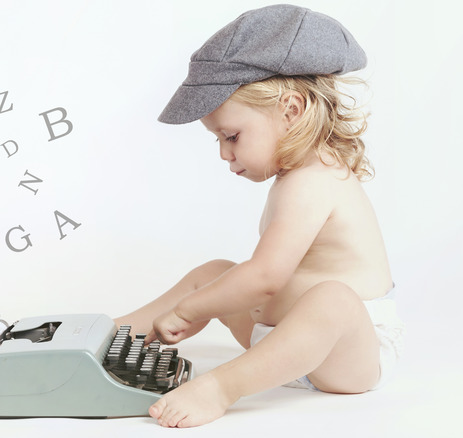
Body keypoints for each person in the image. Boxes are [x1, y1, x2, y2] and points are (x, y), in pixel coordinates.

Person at [114, 4, 405, 428]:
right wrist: (197, 301)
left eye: (231, 136)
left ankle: (222, 387)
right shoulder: (294, 176)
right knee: (212, 273)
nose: (223, 153)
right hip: (284, 343)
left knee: (331, 299)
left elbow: (266, 276)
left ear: (292, 110)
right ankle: (106, 336)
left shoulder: (316, 179)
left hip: (347, 352)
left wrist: (187, 312)